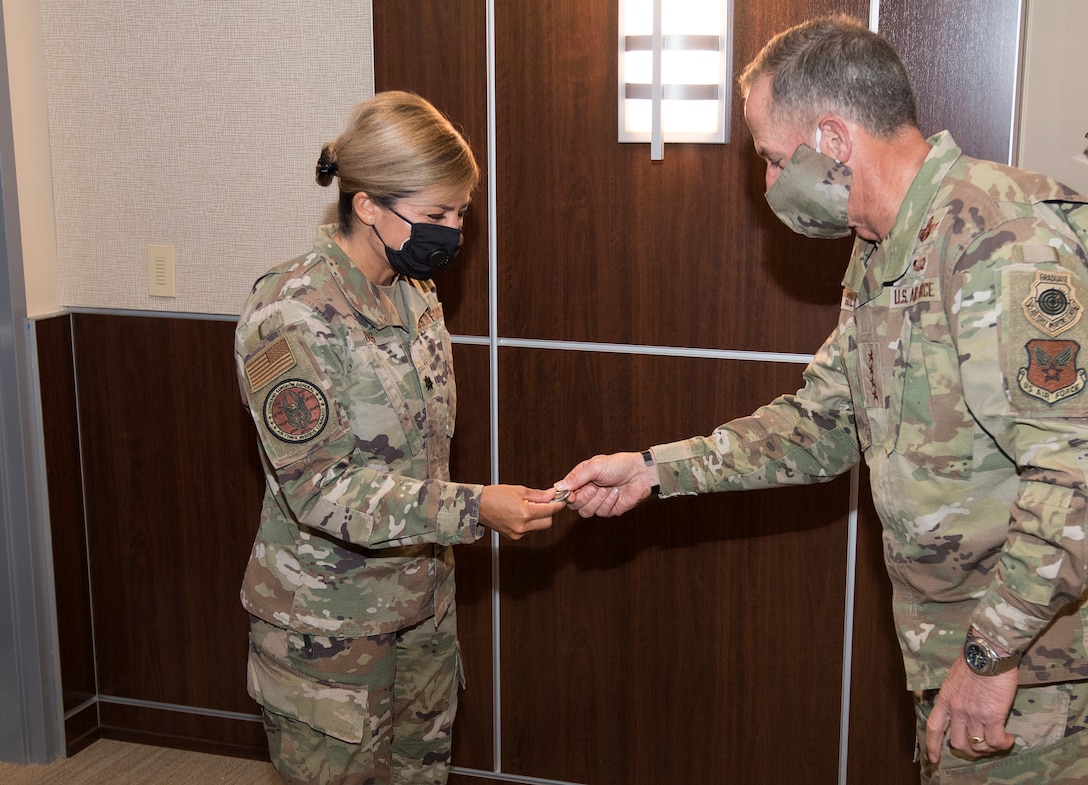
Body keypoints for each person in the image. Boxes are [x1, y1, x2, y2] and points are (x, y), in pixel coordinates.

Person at [557, 14, 1088, 785]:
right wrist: (652, 469)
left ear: (834, 140)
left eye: (773, 159)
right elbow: (819, 423)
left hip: (1032, 680)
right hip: (964, 661)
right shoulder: (882, 251)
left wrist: (990, 652)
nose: (766, 184)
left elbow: (1074, 474)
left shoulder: (1001, 239)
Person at [234, 91, 563, 785]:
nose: (453, 231)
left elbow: (423, 449)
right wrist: (476, 508)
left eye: (462, 213)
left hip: (422, 606)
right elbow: (319, 489)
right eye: (436, 214)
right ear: (368, 205)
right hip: (328, 630)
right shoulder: (287, 314)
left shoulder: (415, 292)